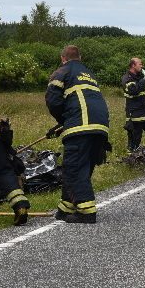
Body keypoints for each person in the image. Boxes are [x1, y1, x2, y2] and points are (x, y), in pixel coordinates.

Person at [46, 45, 110, 223]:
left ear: (62, 58)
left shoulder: (62, 71)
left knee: (73, 169)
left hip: (81, 126)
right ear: (80, 58)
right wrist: (64, 123)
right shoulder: (88, 74)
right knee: (81, 167)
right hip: (100, 127)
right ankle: (65, 207)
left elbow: (53, 100)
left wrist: (63, 119)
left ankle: (86, 212)